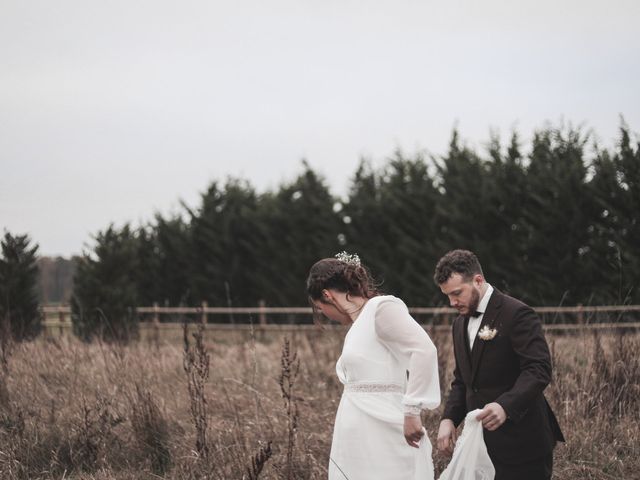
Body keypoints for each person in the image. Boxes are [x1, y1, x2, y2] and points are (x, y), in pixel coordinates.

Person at [306, 252, 441, 480]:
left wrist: (411, 411)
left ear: (327, 295)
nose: (324, 315)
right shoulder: (358, 324)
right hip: (358, 436)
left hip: (383, 429)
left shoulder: (381, 309)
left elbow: (423, 350)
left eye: (320, 307)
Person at [433, 249, 564, 480]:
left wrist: (505, 406)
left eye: (456, 293)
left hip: (523, 444)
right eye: (447, 296)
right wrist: (449, 419)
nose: (452, 302)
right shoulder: (458, 325)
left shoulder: (517, 314)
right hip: (480, 446)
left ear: (478, 280)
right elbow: (463, 380)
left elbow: (538, 369)